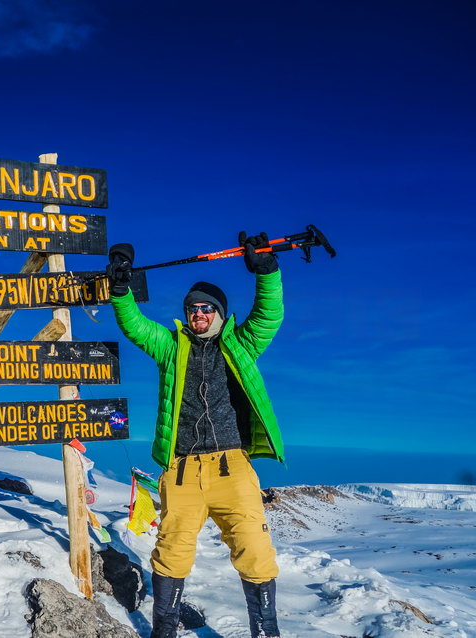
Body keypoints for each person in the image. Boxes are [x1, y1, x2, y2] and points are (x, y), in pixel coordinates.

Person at [106, 233, 285, 638]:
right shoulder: (171, 346)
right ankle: (163, 632)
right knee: (171, 553)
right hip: (182, 470)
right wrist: (120, 290)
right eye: (192, 308)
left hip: (232, 467)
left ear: (220, 313)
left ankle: (266, 632)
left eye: (206, 308)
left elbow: (269, 315)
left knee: (255, 553)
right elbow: (134, 327)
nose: (198, 313)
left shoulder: (240, 345)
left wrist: (267, 271)